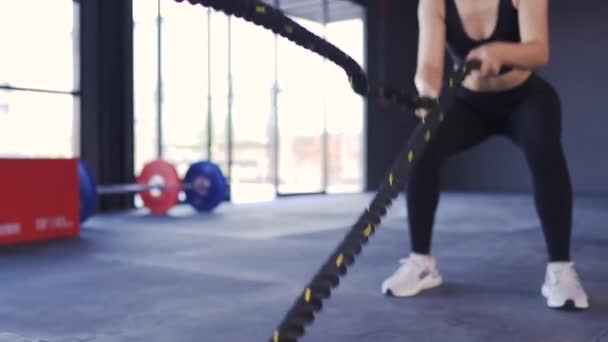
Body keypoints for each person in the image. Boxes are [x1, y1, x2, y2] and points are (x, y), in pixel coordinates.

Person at [380, 0, 589, 310]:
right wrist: (428, 96)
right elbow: (430, 67)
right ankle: (421, 262)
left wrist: (500, 52)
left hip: (524, 98)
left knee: (543, 146)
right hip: (468, 103)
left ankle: (560, 269)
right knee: (421, 149)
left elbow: (538, 50)